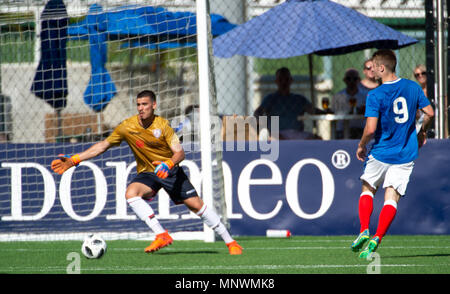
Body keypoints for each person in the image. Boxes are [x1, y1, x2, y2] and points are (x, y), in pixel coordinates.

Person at [51, 90, 243, 255]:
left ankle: (231, 242)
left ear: (154, 105)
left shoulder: (163, 126)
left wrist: (167, 164)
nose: (141, 108)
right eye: (138, 105)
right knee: (131, 194)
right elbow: (103, 145)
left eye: (144, 104)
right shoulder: (127, 126)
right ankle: (161, 235)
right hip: (148, 172)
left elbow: (180, 153)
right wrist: (75, 159)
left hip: (170, 171)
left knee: (196, 206)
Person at [350, 49, 434, 259]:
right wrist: (421, 131)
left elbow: (370, 129)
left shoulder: (375, 94)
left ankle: (363, 230)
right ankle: (377, 237)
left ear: (382, 67)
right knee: (391, 197)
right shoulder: (412, 87)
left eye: (373, 66)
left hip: (380, 152)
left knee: (368, 188)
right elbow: (430, 112)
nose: (371, 71)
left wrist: (361, 146)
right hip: (405, 154)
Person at [253, 67, 323, 140]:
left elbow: (313, 111)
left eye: (286, 79)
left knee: (317, 139)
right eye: (280, 80)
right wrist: (261, 124)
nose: (283, 82)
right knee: (275, 138)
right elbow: (257, 112)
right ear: (276, 81)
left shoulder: (299, 99)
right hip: (278, 133)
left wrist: (325, 112)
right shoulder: (270, 99)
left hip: (298, 133)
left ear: (291, 80)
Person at [332, 68, 368, 139]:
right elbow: (334, 114)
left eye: (354, 79)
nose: (351, 81)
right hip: (342, 130)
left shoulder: (366, 96)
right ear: (344, 80)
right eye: (349, 79)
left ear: (359, 80)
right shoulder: (338, 96)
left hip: (360, 130)